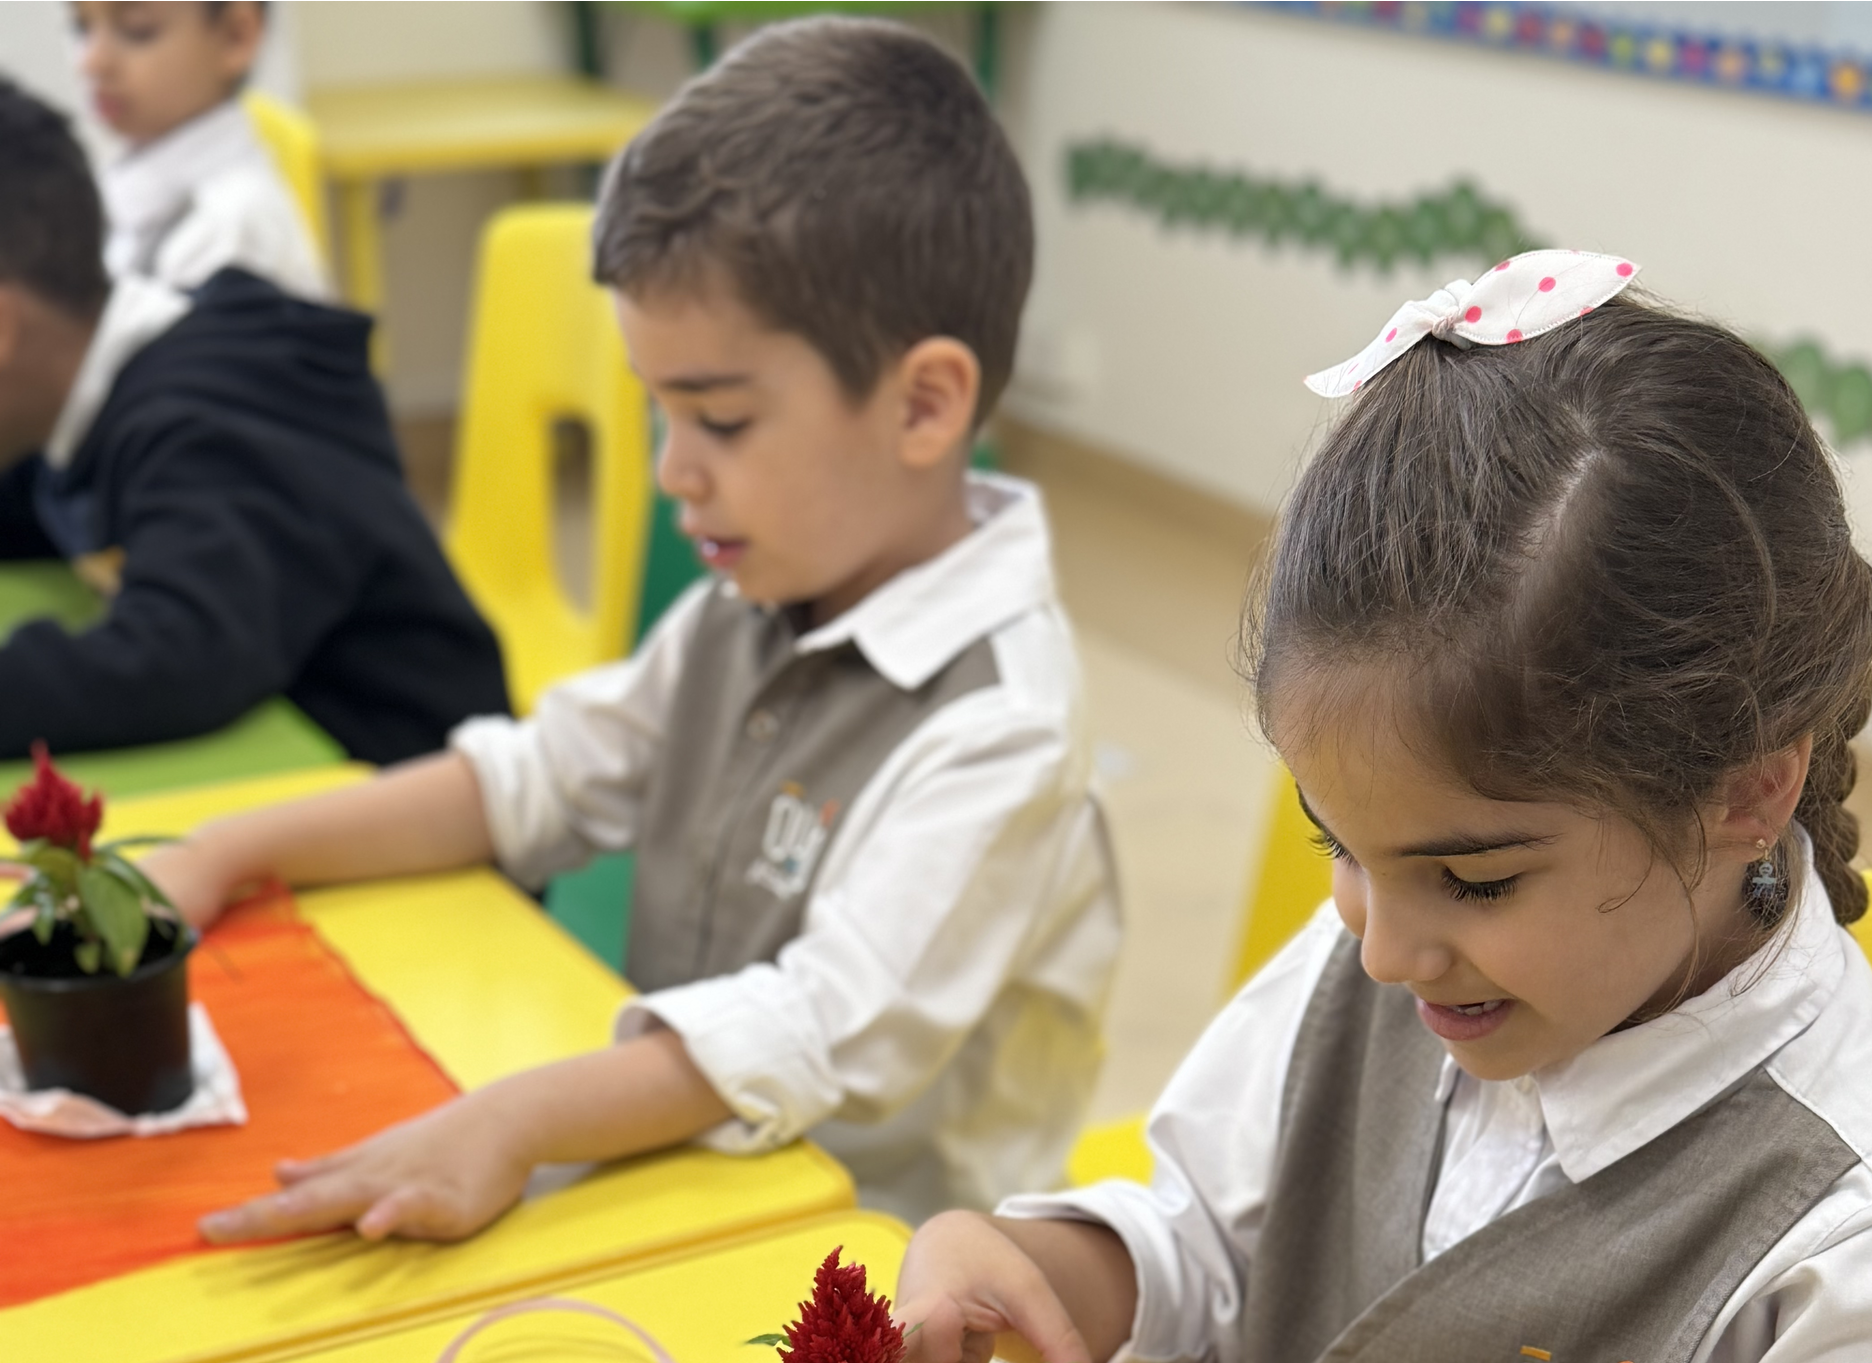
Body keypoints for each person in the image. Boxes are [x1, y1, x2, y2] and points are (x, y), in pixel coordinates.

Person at [896, 262, 1872, 1363]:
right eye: (1334, 845)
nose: (1380, 940)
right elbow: (1213, 1242)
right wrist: (1032, 1259)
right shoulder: (1404, 950)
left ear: (1748, 784)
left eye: (1472, 874)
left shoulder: (1859, 1201)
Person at [145, 18, 1117, 1239]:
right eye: (662, 415)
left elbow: (812, 1027)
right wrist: (227, 849)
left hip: (877, 1275)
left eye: (718, 420)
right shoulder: (752, 602)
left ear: (924, 403)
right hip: (671, 1179)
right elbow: (534, 778)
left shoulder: (1000, 723)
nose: (673, 474)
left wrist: (512, 1120)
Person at [0, 81, 509, 764]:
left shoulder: (210, 427)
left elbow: (172, 660)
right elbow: (34, 503)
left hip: (397, 794)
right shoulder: (88, 395)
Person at [73, 0, 327, 300]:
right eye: (81, 27)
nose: (91, 61)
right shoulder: (126, 177)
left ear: (236, 36)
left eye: (136, 30)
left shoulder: (231, 233)